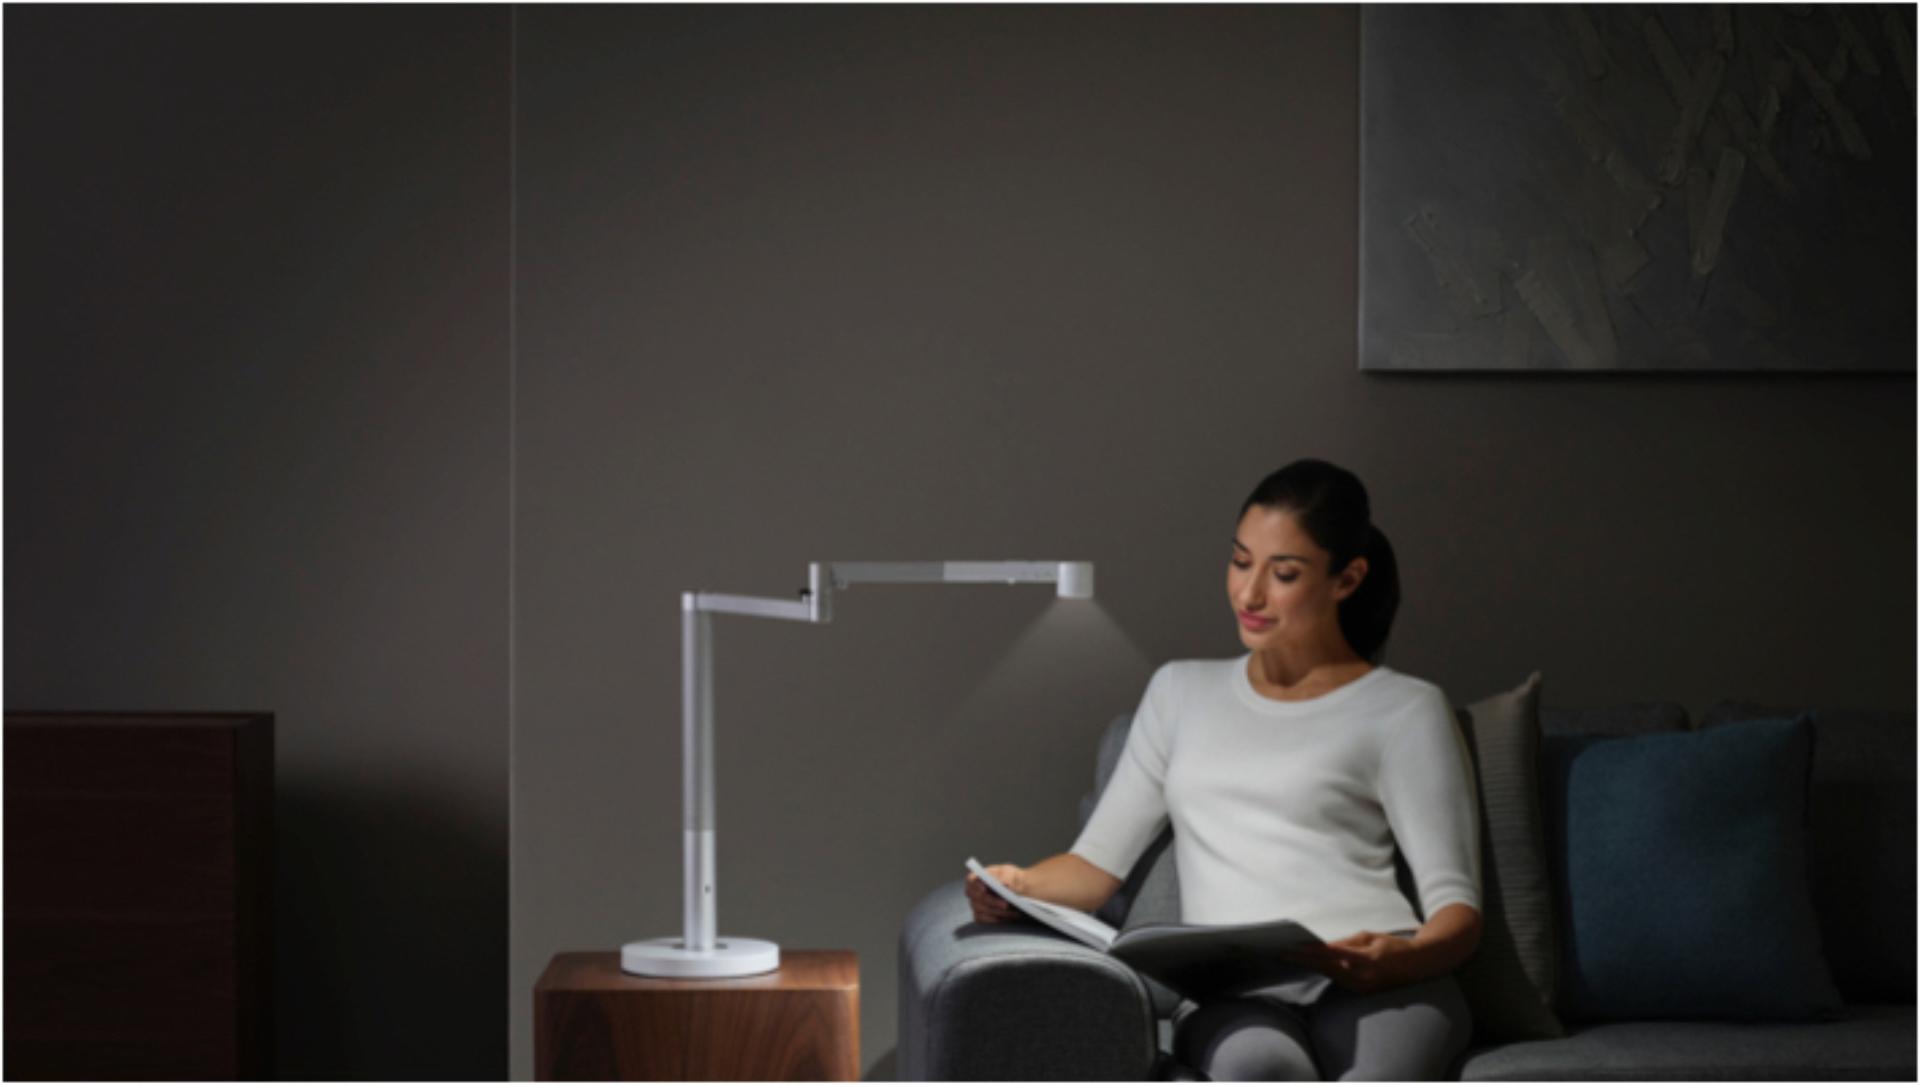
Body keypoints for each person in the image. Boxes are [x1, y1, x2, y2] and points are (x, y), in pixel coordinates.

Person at [966, 458, 1481, 1081]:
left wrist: (1398, 959)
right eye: (1241, 562)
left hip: (1382, 988)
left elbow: (1457, 912)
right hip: (1237, 996)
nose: (1249, 593)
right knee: (1256, 1073)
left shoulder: (1404, 709)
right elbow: (1094, 869)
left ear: (1347, 579)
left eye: (1283, 573)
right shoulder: (1179, 693)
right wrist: (1017, 886)